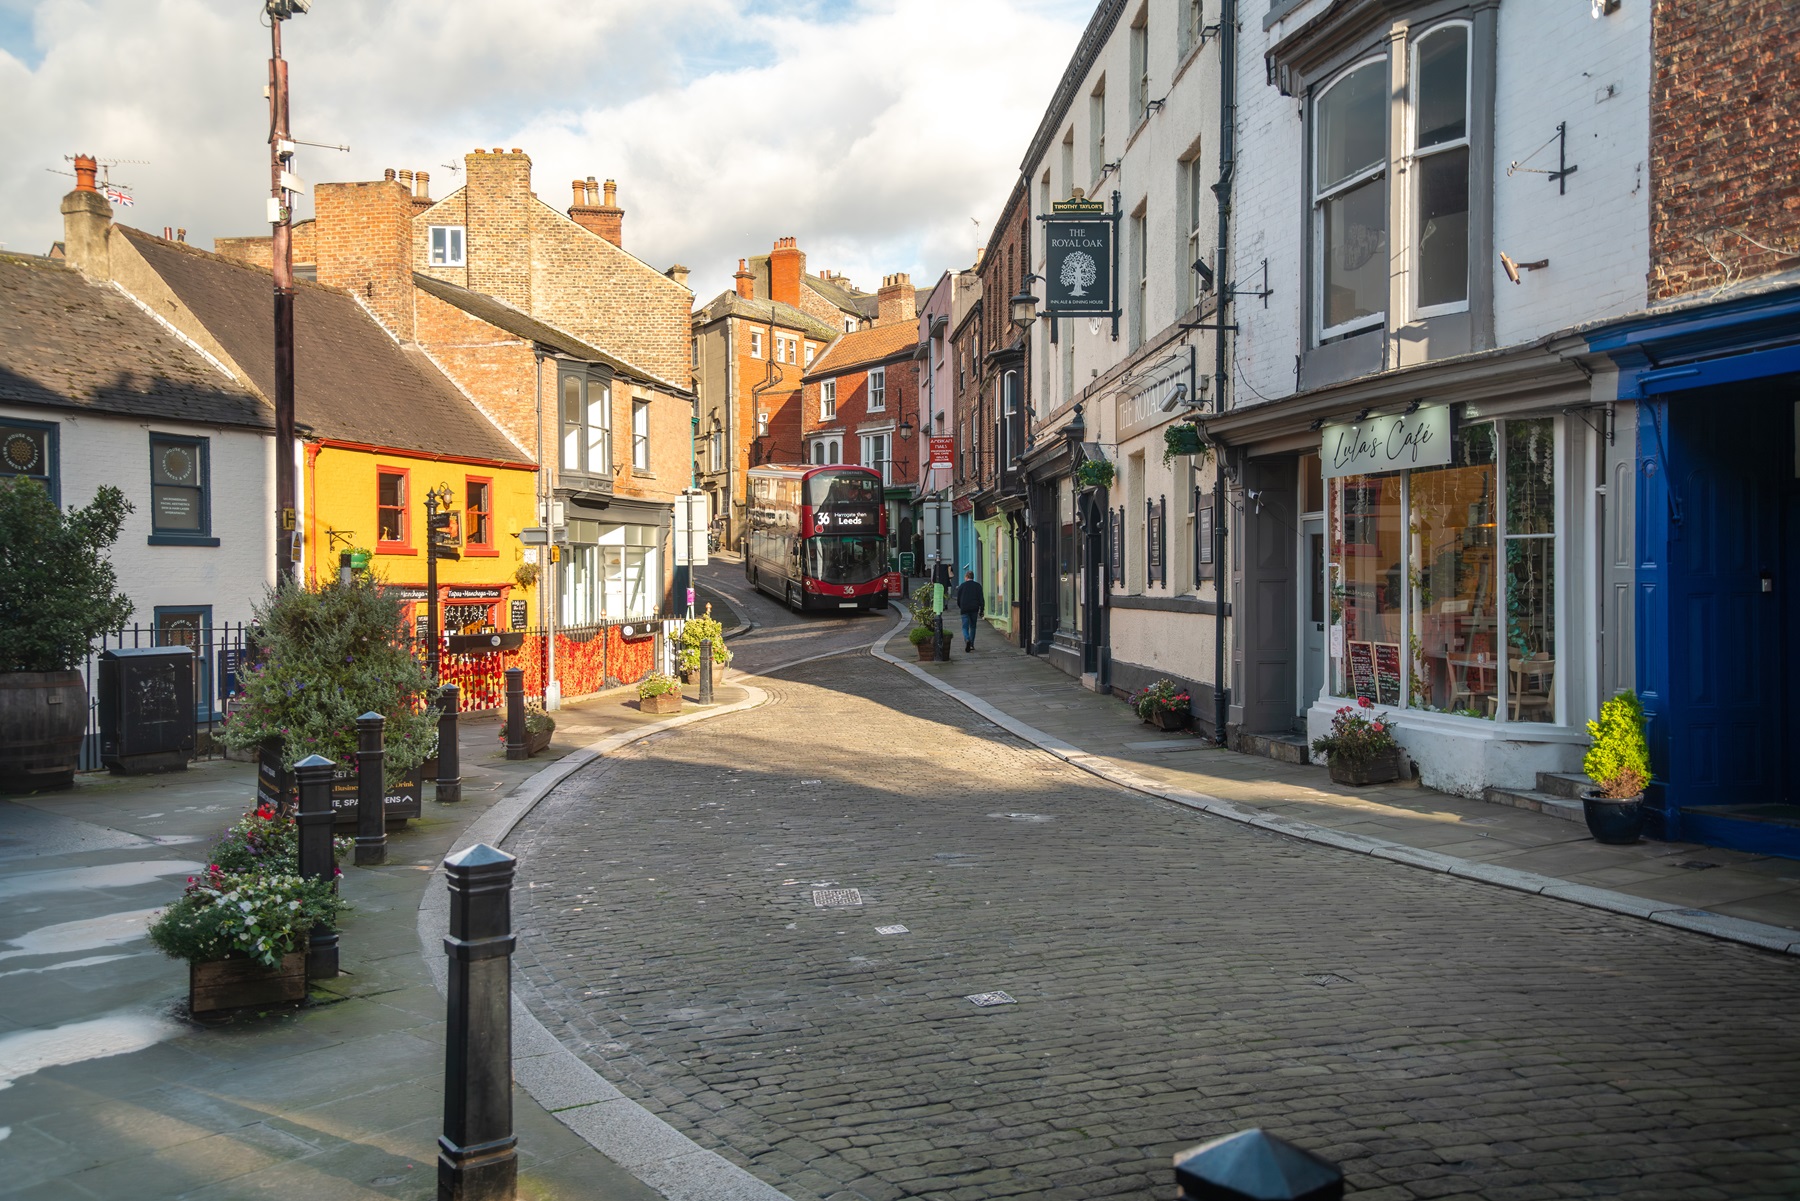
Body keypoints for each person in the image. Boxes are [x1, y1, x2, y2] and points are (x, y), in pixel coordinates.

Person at [955, 569, 984, 653]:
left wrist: (961, 606)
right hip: (974, 608)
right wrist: (982, 609)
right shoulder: (978, 586)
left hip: (964, 608)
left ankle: (967, 639)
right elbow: (981, 599)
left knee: (965, 627)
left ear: (966, 577)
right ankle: (971, 644)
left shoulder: (962, 586)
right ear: (973, 577)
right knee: (973, 626)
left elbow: (958, 599)